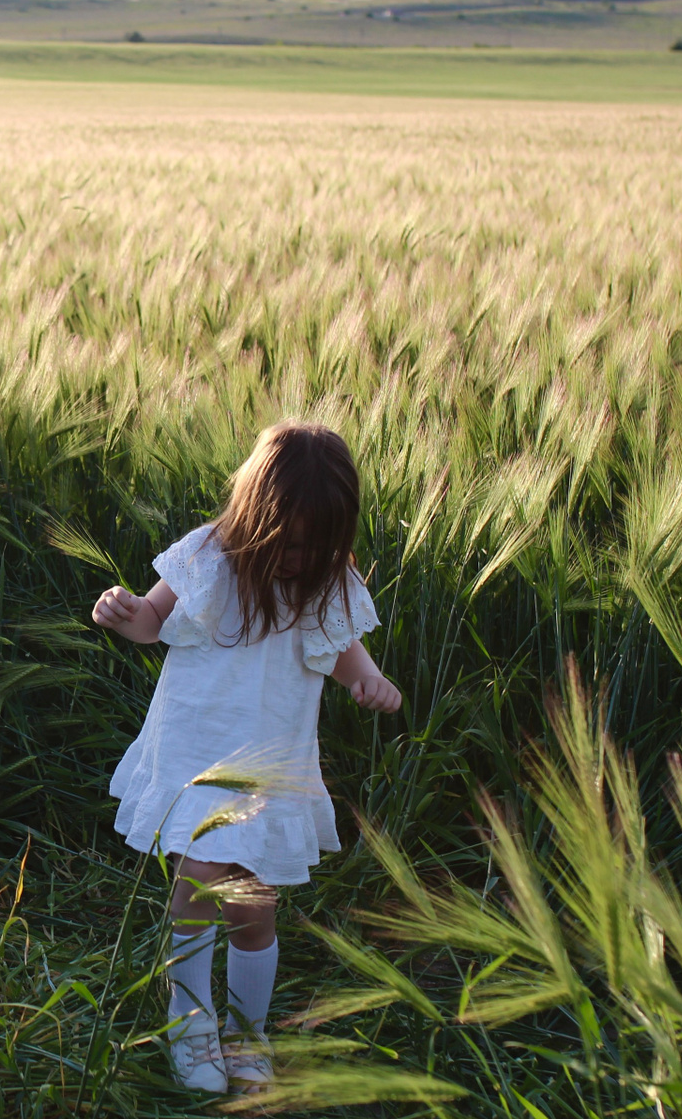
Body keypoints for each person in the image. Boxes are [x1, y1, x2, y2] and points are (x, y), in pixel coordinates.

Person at [90, 422, 403, 1094]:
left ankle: (246, 1032)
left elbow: (343, 652)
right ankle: (190, 1020)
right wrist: (123, 610)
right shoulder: (207, 556)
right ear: (255, 514)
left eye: (315, 546)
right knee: (200, 880)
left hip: (270, 767)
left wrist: (369, 681)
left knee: (253, 907)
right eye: (287, 541)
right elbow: (152, 622)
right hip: (198, 753)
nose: (297, 557)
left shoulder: (327, 584)